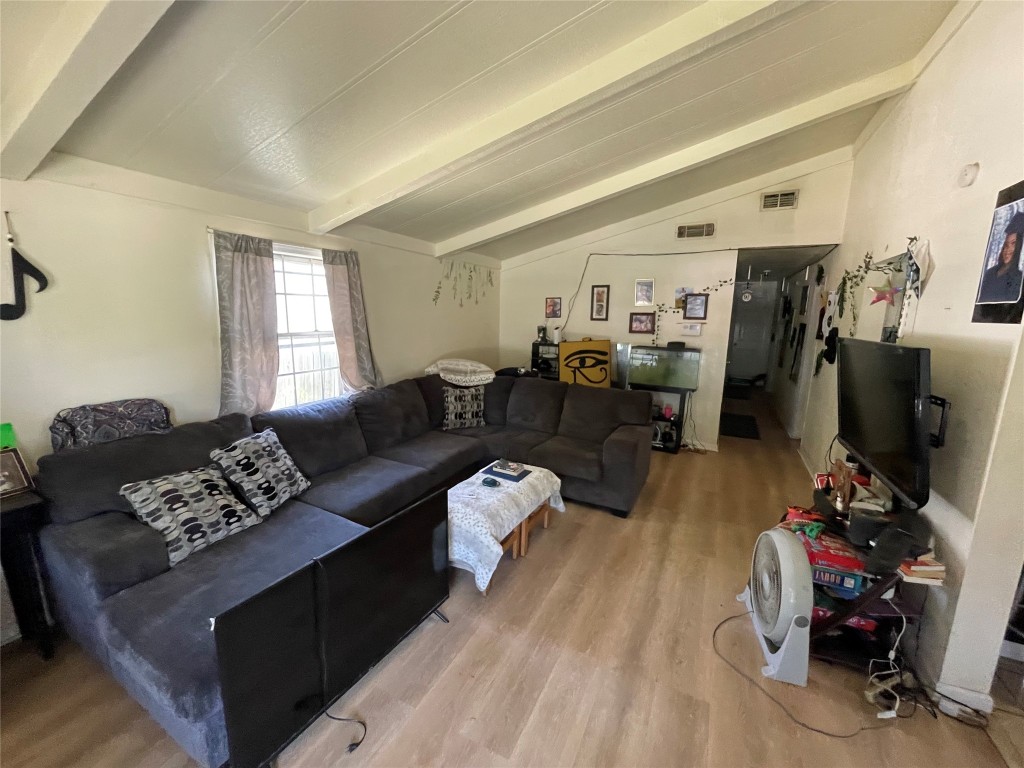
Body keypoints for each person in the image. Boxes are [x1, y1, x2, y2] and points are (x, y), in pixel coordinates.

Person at [978, 210, 1024, 303]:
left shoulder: (1018, 279)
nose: (1007, 250)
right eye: (1006, 244)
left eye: (1013, 243)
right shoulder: (990, 274)